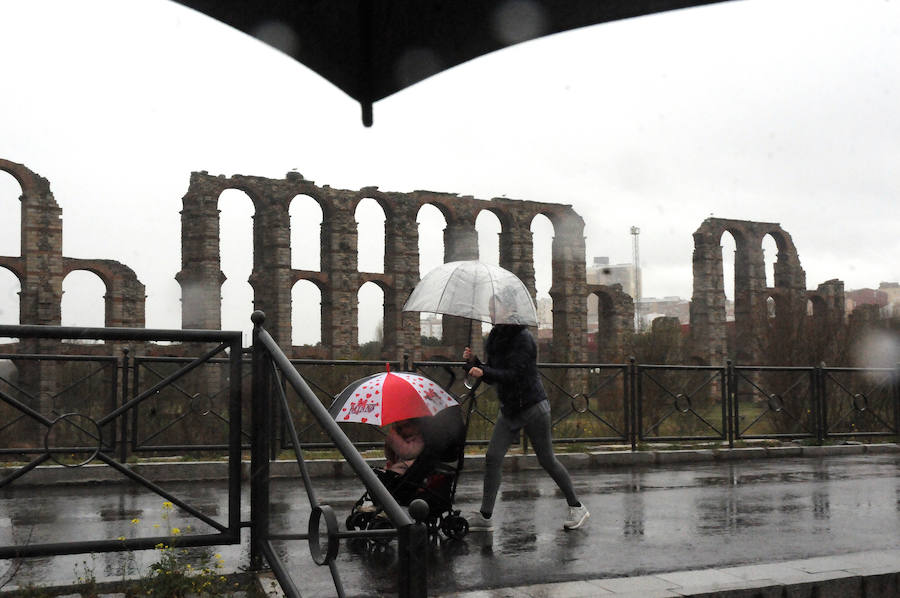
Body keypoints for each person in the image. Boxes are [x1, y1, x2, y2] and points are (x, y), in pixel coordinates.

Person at [463, 296, 589, 532]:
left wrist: (484, 370)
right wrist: (474, 363)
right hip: (509, 409)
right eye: (489, 308)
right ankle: (486, 516)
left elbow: (514, 374)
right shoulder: (495, 337)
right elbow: (492, 373)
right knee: (492, 457)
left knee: (547, 460)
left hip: (532, 408)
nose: (491, 313)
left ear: (509, 309)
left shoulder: (524, 339)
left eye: (495, 308)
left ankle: (577, 507)